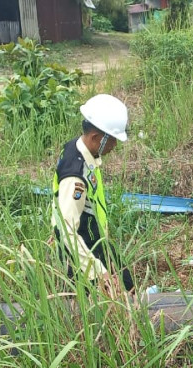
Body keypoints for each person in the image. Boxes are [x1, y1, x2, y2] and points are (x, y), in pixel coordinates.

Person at [52, 93, 134, 293]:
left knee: (126, 284)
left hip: (94, 236)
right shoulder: (75, 176)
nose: (114, 146)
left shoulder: (79, 149)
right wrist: (99, 273)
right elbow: (67, 231)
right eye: (112, 140)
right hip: (81, 249)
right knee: (113, 296)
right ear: (96, 137)